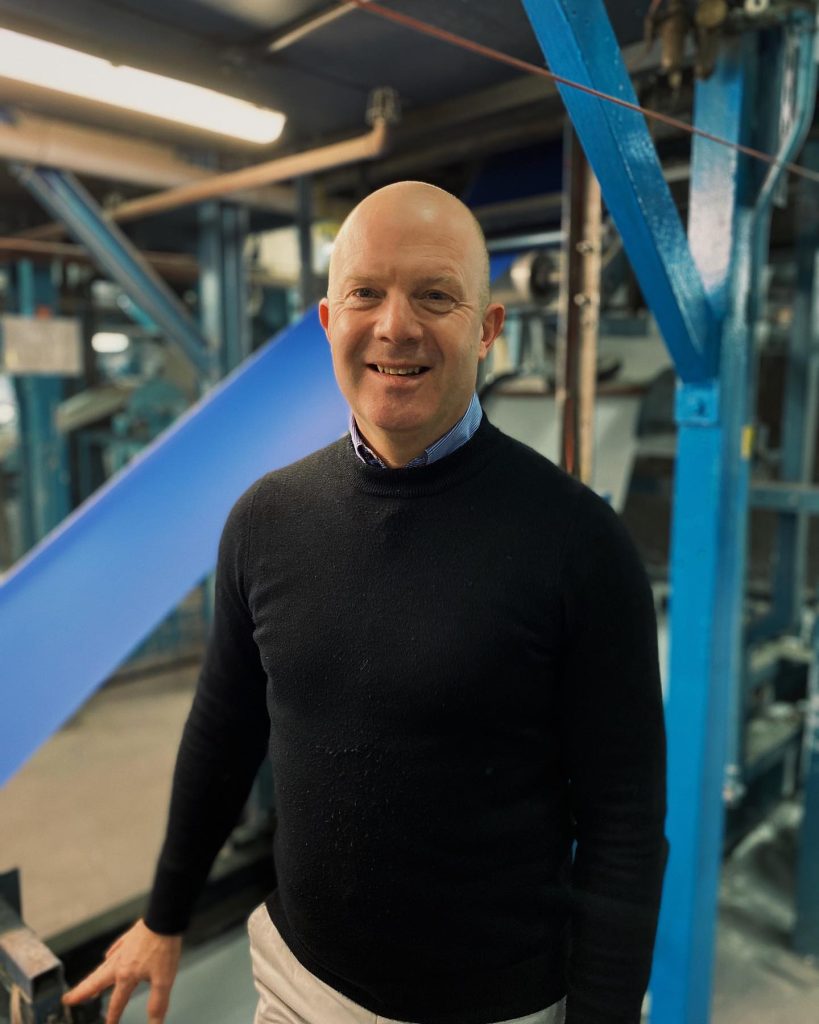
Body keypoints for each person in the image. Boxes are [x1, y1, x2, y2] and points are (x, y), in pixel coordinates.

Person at [62, 181, 667, 1024]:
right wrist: (164, 916)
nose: (395, 326)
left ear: (487, 329)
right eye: (365, 293)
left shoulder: (577, 544)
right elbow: (223, 732)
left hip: (498, 1006)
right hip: (297, 986)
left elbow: (625, 826)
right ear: (326, 321)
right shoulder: (265, 519)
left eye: (435, 296)